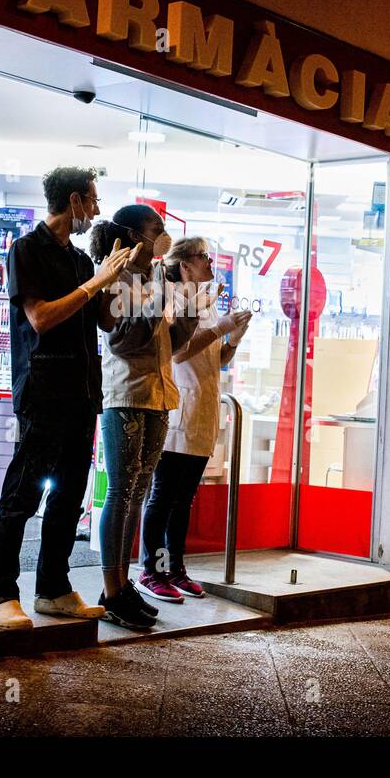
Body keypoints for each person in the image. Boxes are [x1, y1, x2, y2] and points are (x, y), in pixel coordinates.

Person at [0, 167, 138, 629]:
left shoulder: (80, 261)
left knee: (70, 497)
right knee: (23, 494)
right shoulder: (25, 250)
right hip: (43, 391)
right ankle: (1, 594)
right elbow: (41, 318)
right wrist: (94, 284)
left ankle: (53, 587)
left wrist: (113, 279)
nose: (94, 211)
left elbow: (106, 324)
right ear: (72, 200)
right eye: (91, 201)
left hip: (82, 392)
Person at [89, 206, 202, 629]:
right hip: (125, 393)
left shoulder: (155, 276)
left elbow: (167, 343)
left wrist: (188, 305)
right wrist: (160, 300)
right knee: (120, 491)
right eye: (158, 230)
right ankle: (111, 588)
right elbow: (123, 341)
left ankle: (124, 584)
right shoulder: (116, 276)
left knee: (138, 491)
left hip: (157, 394)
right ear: (136, 233)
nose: (166, 237)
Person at [138, 237, 251, 602]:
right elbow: (181, 352)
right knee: (163, 496)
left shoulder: (206, 303)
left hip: (204, 410)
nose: (209, 262)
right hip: (177, 412)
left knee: (184, 498)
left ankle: (176, 568)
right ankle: (151, 570)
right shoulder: (172, 299)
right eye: (203, 256)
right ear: (185, 265)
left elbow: (216, 359)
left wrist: (233, 337)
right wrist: (222, 328)